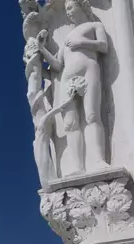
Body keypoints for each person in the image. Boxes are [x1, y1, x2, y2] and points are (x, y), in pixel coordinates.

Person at [38, 0, 108, 176]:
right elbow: (57, 64)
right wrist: (41, 48)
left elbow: (103, 45)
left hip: (89, 71)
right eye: (67, 9)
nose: (68, 12)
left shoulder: (94, 25)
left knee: (92, 115)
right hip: (68, 79)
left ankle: (99, 160)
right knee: (70, 123)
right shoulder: (67, 38)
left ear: (82, 6)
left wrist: (82, 43)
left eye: (71, 7)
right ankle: (78, 167)